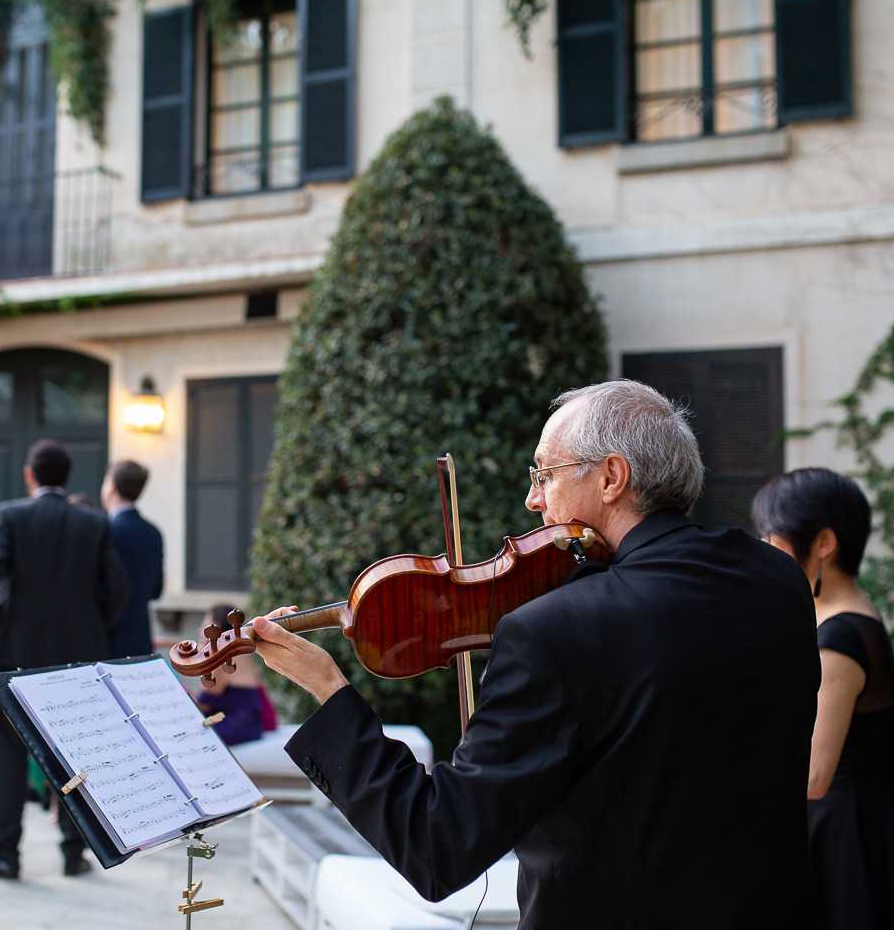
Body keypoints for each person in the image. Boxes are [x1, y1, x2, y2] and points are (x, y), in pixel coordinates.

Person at [248, 381, 823, 928]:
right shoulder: (777, 581)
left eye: (545, 474)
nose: (532, 500)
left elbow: (436, 845)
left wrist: (328, 689)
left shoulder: (554, 630)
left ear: (611, 478)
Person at [753, 468, 894, 930]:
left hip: (851, 839)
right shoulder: (845, 616)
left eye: (773, 534)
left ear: (823, 542)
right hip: (867, 828)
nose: (765, 548)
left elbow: (814, 775)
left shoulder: (839, 636)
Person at [0, 439, 129, 880]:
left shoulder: (11, 515)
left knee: (10, 753)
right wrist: (96, 628)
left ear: (30, 475)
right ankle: (74, 852)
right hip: (78, 652)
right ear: (67, 476)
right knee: (74, 754)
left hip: (15, 649)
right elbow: (118, 588)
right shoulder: (93, 521)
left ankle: (6, 852)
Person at [102, 459, 162, 658]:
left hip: (107, 638)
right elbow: (156, 589)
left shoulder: (104, 530)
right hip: (141, 636)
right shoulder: (153, 532)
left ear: (111, 486)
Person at [192, 605, 277, 746]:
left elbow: (205, 704)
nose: (199, 630)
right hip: (249, 723)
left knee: (190, 738)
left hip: (239, 724)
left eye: (203, 625)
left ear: (215, 627)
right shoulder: (239, 650)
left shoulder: (224, 655)